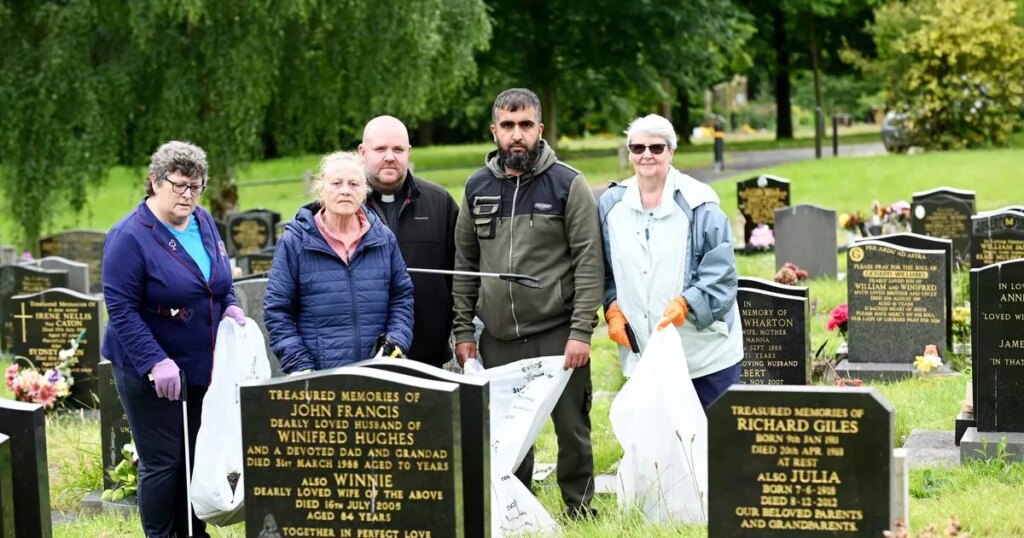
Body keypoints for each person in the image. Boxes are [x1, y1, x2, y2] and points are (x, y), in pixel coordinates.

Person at [452, 88, 604, 518]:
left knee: (572, 428)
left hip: (557, 332)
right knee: (507, 433)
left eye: (524, 126)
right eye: (507, 126)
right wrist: (463, 330)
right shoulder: (476, 186)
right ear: (494, 131)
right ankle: (517, 511)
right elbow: (464, 263)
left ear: (540, 128)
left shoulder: (568, 184)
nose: (516, 135)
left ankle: (580, 509)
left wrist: (580, 332)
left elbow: (589, 263)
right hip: (497, 335)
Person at [102, 140, 246, 538]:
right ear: (154, 182)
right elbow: (121, 308)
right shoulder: (130, 236)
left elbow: (216, 280)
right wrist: (155, 361)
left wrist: (230, 304)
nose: (187, 195)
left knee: (196, 457)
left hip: (202, 363)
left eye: (195, 186)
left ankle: (193, 532)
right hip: (149, 369)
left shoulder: (203, 221)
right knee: (164, 461)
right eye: (178, 185)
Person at [598, 114, 743, 408]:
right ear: (629, 153)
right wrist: (612, 306)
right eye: (638, 148)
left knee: (711, 446)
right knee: (658, 447)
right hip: (646, 355)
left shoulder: (700, 203)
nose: (646, 155)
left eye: (656, 147)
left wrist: (687, 303)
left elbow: (722, 274)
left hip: (704, 355)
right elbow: (605, 269)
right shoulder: (611, 205)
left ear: (671, 151)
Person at [264, 151, 414, 372]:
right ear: (321, 189)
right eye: (336, 183)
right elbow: (277, 311)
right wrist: (300, 364)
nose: (345, 190)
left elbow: (401, 296)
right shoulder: (294, 242)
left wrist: (396, 342)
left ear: (365, 191)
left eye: (354, 184)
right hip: (319, 378)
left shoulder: (383, 238)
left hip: (379, 373)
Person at [358, 115, 459, 367]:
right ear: (362, 152)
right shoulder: (344, 207)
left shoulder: (440, 203)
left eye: (398, 149)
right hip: (359, 357)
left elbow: (461, 275)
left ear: (409, 152)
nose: (390, 156)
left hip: (427, 354)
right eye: (380, 149)